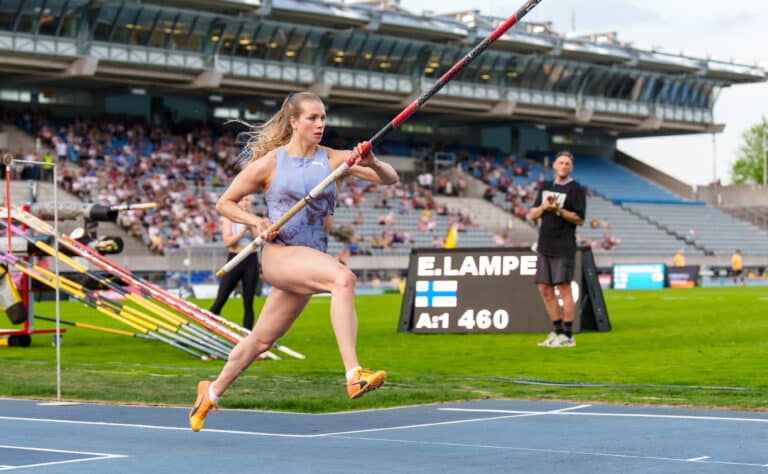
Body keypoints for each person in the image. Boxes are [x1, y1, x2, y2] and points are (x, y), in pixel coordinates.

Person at [189, 91, 400, 432]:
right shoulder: (271, 163)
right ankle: (353, 373)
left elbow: (391, 179)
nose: (319, 124)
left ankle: (209, 393)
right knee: (343, 279)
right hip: (280, 255)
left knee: (260, 341)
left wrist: (372, 162)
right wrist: (255, 222)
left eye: (323, 118)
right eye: (312, 118)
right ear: (294, 122)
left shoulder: (332, 159)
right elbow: (225, 202)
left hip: (310, 257)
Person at [529, 150, 586, 348]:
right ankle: (557, 331)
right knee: (544, 288)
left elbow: (580, 218)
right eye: (561, 163)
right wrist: (545, 208)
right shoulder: (545, 187)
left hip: (564, 245)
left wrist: (559, 211)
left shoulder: (576, 189)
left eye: (567, 164)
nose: (564, 166)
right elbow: (533, 214)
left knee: (564, 288)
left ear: (571, 168)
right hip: (545, 244)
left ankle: (568, 335)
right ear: (554, 165)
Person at [208, 195, 261, 330]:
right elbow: (228, 242)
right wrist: (244, 230)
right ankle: (206, 330)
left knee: (248, 302)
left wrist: (252, 227)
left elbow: (259, 241)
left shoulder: (255, 219)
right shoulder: (229, 219)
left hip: (250, 260)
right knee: (221, 299)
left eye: (248, 200)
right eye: (243, 200)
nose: (245, 203)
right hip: (234, 259)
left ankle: (247, 337)